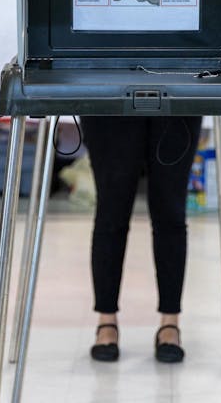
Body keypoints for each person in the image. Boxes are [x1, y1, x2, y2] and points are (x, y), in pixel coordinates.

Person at [80, 115, 203, 364]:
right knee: (111, 209)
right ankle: (106, 319)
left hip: (176, 88)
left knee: (170, 210)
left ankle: (170, 321)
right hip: (109, 87)